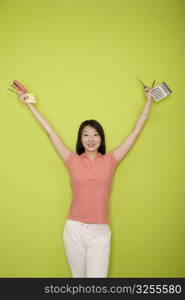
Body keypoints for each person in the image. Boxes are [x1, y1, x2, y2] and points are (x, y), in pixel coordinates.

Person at [17, 87, 154, 278]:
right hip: (74, 229)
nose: (91, 139)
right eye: (86, 134)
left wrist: (148, 102)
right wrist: (30, 106)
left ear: (101, 138)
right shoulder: (71, 160)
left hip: (100, 232)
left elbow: (135, 133)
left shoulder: (111, 160)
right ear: (81, 139)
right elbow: (49, 131)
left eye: (96, 134)